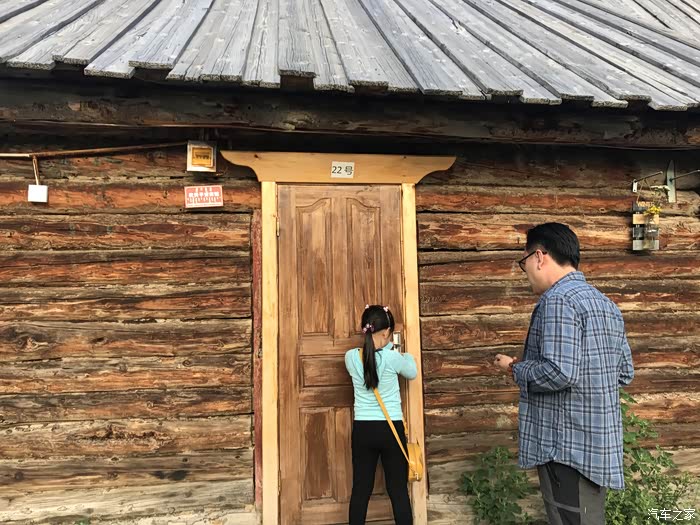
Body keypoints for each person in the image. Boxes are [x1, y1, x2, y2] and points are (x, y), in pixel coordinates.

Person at [494, 223, 634, 525]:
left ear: (539, 256)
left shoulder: (558, 300)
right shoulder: (606, 304)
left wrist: (514, 367)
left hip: (565, 448)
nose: (525, 271)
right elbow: (624, 372)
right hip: (596, 446)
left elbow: (560, 373)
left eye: (524, 262)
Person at [345, 304, 417, 525]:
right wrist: (401, 352)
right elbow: (412, 371)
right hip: (390, 428)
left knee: (361, 489)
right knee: (397, 490)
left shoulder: (350, 357)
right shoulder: (392, 358)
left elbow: (369, 360)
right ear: (386, 333)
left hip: (363, 429)